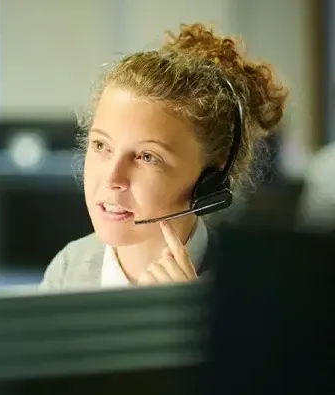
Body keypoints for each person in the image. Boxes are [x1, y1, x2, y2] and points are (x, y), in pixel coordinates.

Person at [40, 23, 288, 290]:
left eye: (147, 157)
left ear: (210, 182)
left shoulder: (255, 288)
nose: (113, 178)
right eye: (101, 146)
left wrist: (191, 321)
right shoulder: (68, 269)